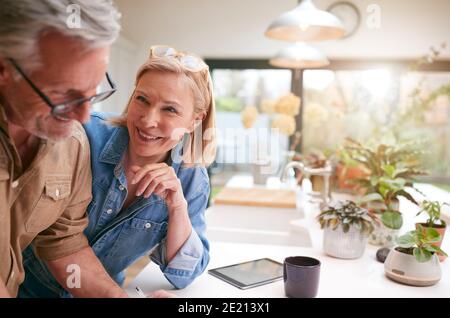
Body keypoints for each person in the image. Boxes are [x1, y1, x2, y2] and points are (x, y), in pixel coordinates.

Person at [19, 45, 216, 297]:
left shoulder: (191, 179)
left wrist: (177, 207)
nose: (148, 120)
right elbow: (58, 239)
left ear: (195, 120)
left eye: (170, 109)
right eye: (142, 99)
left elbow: (184, 274)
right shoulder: (83, 138)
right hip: (28, 287)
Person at [0, 0, 130, 297]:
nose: (83, 118)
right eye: (64, 95)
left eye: (93, 92)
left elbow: (63, 242)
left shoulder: (72, 143)